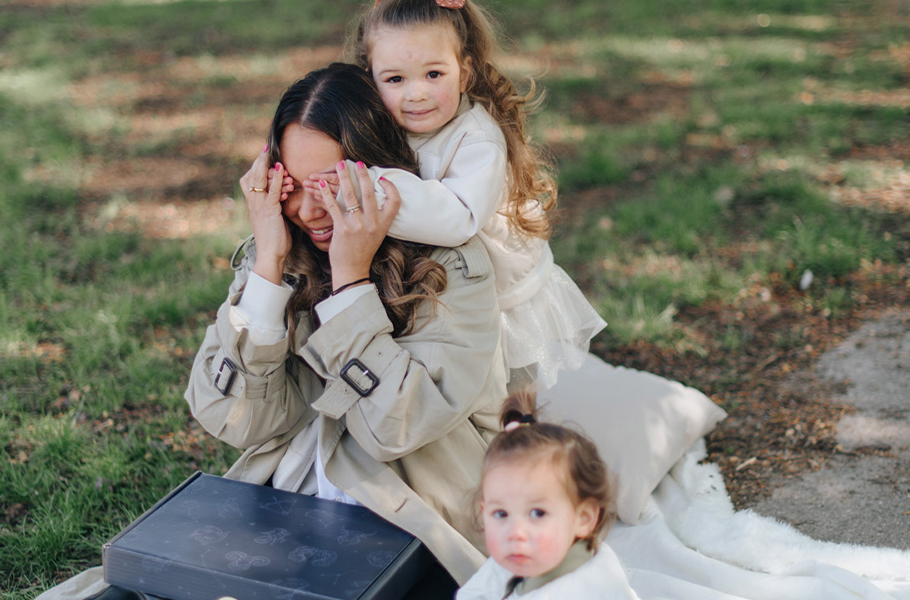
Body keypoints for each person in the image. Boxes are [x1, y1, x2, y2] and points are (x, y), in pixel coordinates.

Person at [294, 0, 606, 392]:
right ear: (369, 79)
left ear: (464, 72)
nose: (416, 94)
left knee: (503, 395)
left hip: (500, 296)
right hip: (445, 287)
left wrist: (370, 186)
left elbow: (458, 219)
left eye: (434, 73)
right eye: (395, 79)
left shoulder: (479, 140)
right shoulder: (389, 122)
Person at [456, 390, 640, 599]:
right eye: (500, 514)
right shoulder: (523, 555)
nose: (515, 531)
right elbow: (479, 589)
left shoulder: (576, 591)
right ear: (484, 510)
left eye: (537, 513)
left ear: (583, 518)